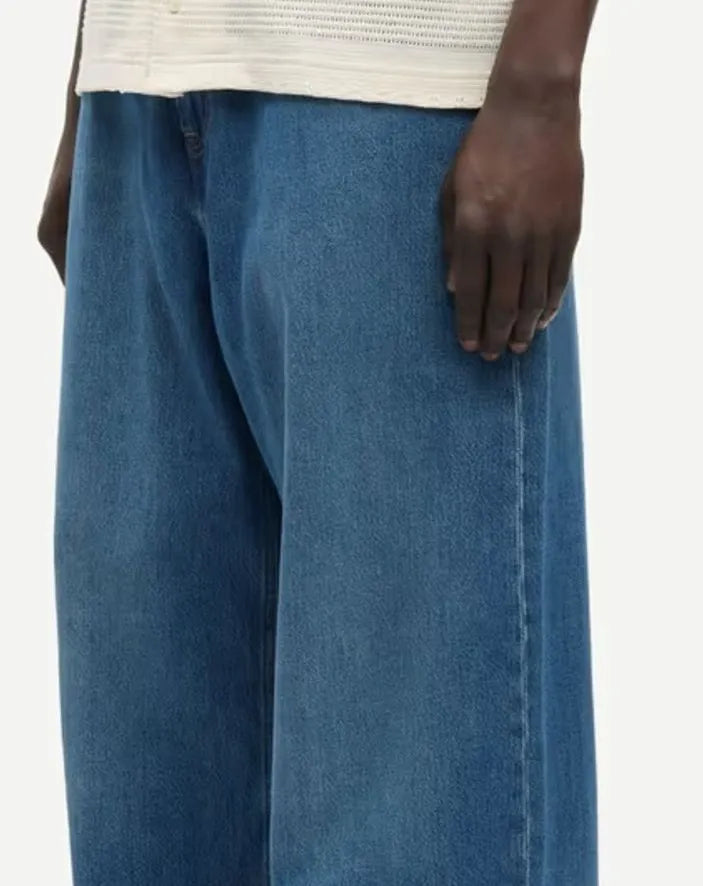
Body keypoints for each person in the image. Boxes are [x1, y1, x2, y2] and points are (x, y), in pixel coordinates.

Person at [39, 1, 598, 883]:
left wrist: (540, 79)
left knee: (420, 820)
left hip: (391, 89)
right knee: (149, 811)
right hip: (136, 94)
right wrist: (84, 91)